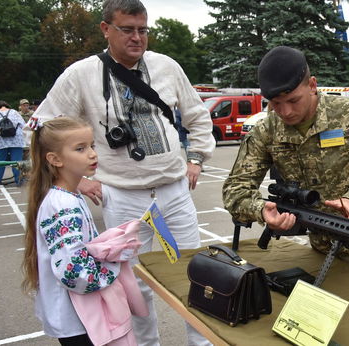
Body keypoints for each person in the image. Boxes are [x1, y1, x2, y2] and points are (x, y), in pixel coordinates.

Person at [31, 0, 215, 344]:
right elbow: (43, 125)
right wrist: (80, 180)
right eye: (127, 29)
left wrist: (197, 159)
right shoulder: (81, 74)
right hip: (123, 196)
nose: (137, 38)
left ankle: (201, 342)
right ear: (106, 29)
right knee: (134, 282)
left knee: (195, 272)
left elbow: (197, 115)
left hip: (173, 191)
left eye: (143, 30)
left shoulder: (167, 66)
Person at [222, 46, 349, 280]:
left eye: (293, 100)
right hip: (323, 248)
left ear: (312, 85)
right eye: (275, 103)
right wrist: (262, 211)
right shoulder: (267, 130)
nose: (285, 112)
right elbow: (235, 190)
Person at [22, 117, 147, 345]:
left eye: (92, 145)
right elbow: (73, 271)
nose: (92, 154)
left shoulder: (67, 196)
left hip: (79, 315)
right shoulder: (63, 205)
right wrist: (113, 266)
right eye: (80, 148)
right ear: (55, 159)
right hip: (79, 318)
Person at [0, 100, 26, 188]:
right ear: (7, 106)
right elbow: (23, 125)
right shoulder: (14, 112)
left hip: (0, 141)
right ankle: (19, 181)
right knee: (17, 162)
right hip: (16, 140)